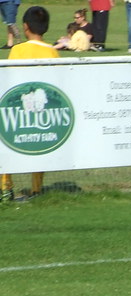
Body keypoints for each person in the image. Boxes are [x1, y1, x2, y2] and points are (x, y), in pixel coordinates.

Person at [1, 5, 58, 203]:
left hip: (19, 109)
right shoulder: (52, 52)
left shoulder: (17, 50)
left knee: (8, 145)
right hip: (43, 109)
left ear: (25, 26)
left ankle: (6, 188)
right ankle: (36, 189)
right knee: (40, 147)